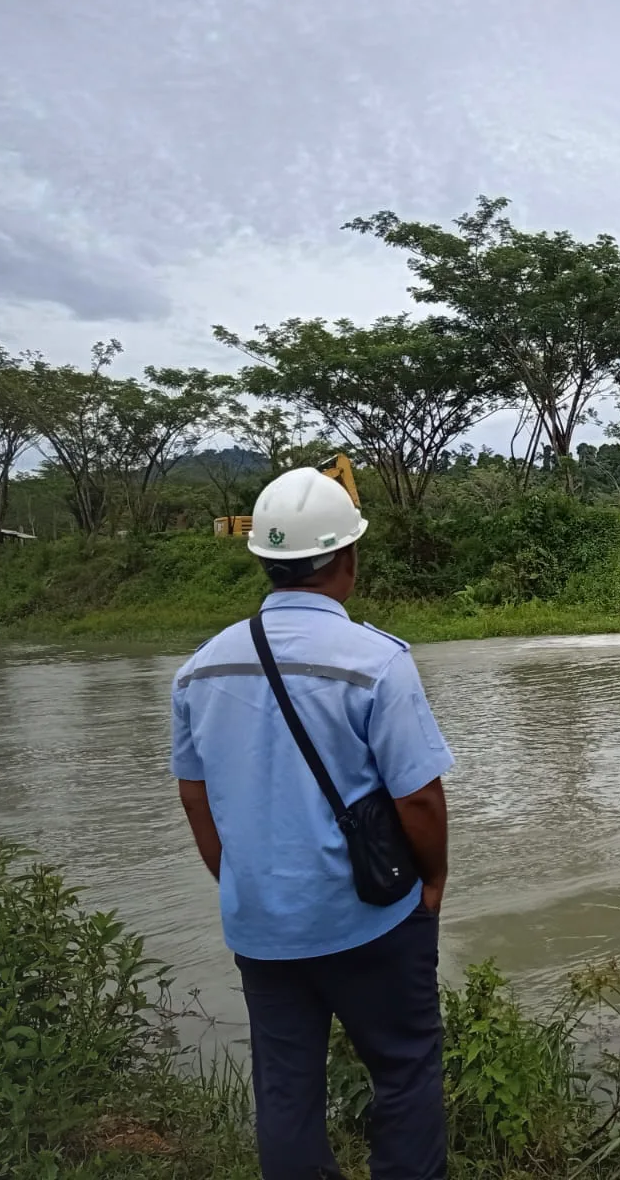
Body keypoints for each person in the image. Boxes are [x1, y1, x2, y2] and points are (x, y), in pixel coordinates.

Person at [171, 467, 454, 1180]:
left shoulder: (199, 670)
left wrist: (238, 881)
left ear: (263, 562)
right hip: (371, 918)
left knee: (287, 1091)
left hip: (262, 924)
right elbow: (418, 799)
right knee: (406, 1070)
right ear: (350, 561)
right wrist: (435, 880)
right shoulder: (377, 663)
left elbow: (196, 796)